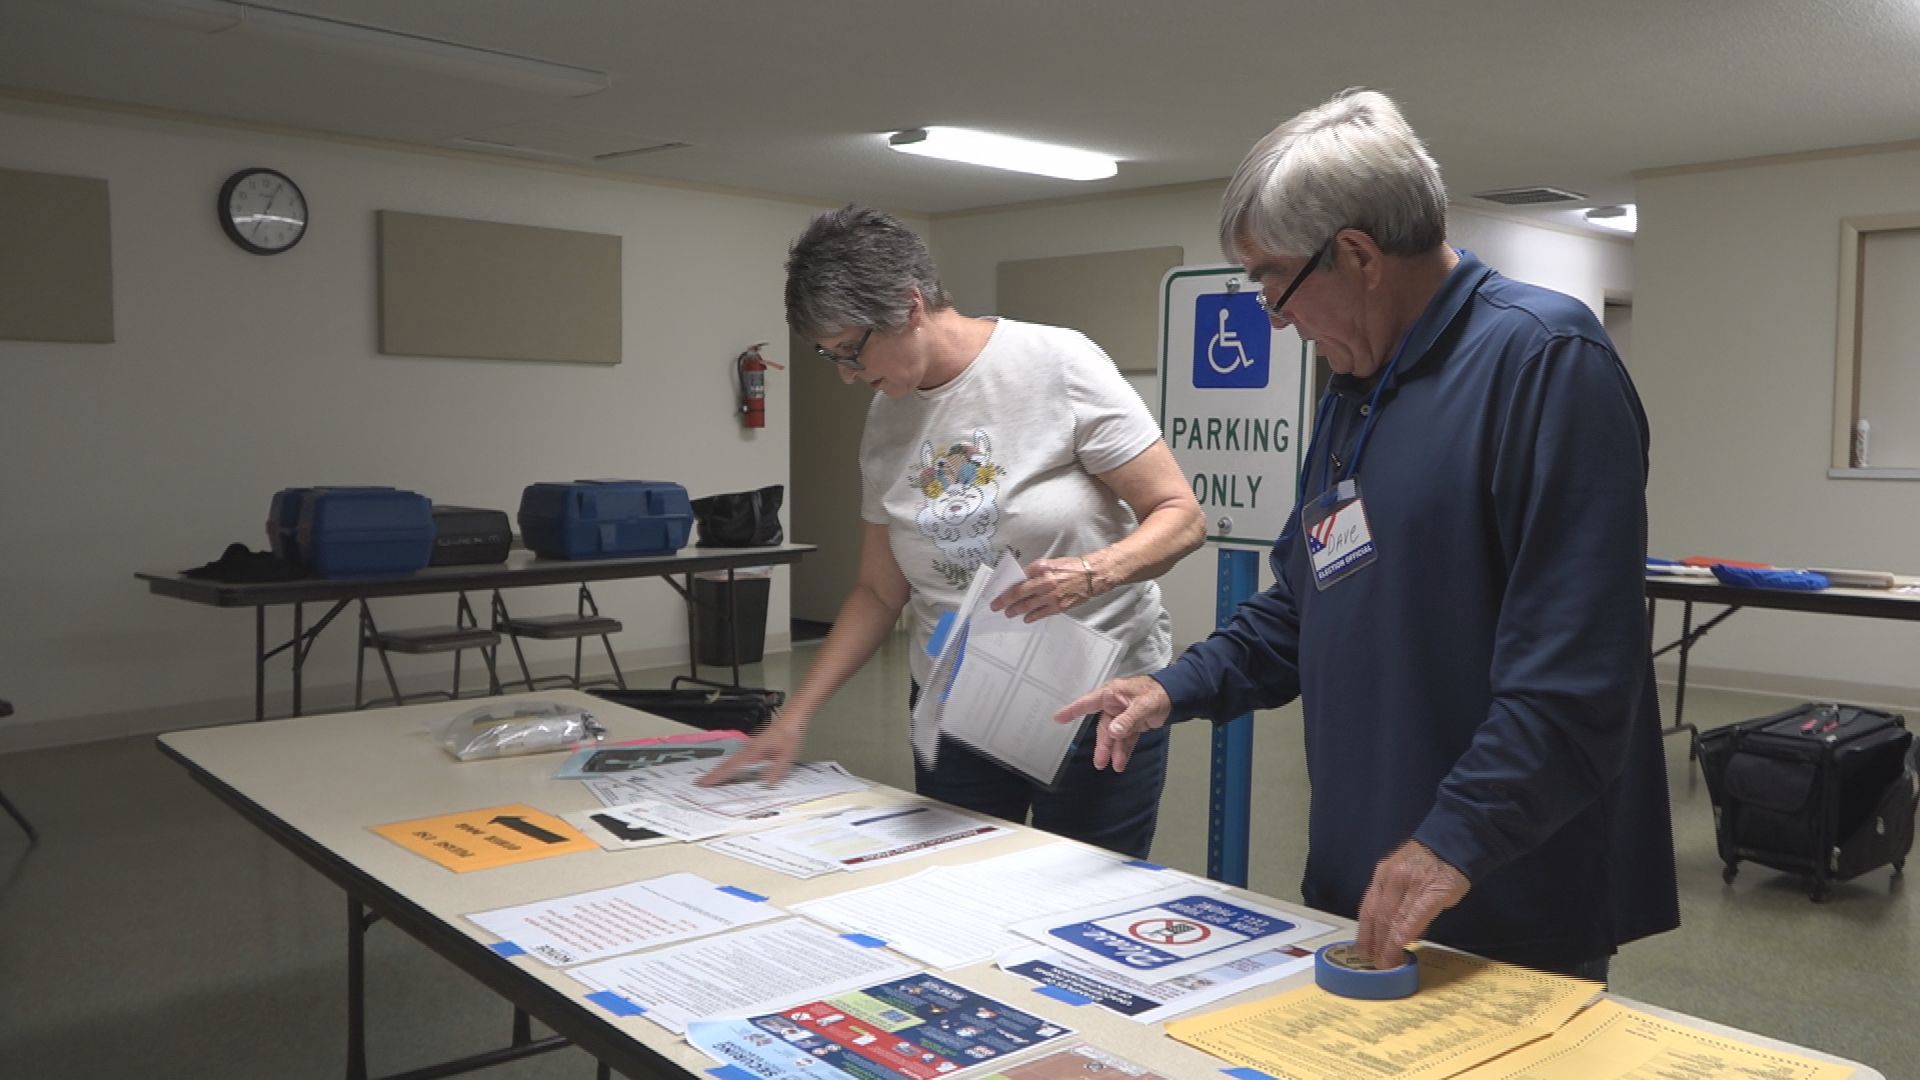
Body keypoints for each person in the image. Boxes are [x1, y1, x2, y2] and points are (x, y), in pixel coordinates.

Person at [1058, 89, 1678, 979]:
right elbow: (1311, 601)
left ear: (1356, 255)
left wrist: (1450, 844)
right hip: (1367, 870)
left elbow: (1578, 673)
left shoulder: (1544, 361)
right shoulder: (1357, 390)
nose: (1269, 312)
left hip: (1499, 882)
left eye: (1272, 277)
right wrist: (1172, 688)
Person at [702, 205, 1206, 858]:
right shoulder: (887, 420)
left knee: (1079, 901)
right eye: (830, 357)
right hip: (957, 701)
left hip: (1094, 698)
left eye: (851, 350)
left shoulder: (1057, 364)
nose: (846, 376)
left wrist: (1095, 570)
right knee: (956, 889)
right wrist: (793, 718)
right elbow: (879, 594)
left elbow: (1180, 516)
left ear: (910, 306)